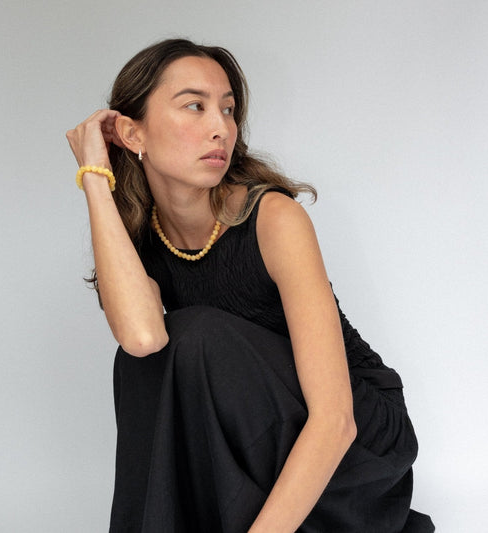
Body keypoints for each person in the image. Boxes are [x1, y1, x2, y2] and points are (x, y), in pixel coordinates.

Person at [66, 39, 434, 533]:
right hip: (261, 432)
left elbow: (336, 420)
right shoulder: (142, 237)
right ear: (134, 133)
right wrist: (94, 177)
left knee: (196, 335)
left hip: (357, 440)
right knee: (148, 359)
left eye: (227, 109)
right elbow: (141, 339)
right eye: (194, 106)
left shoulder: (273, 218)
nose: (220, 127)